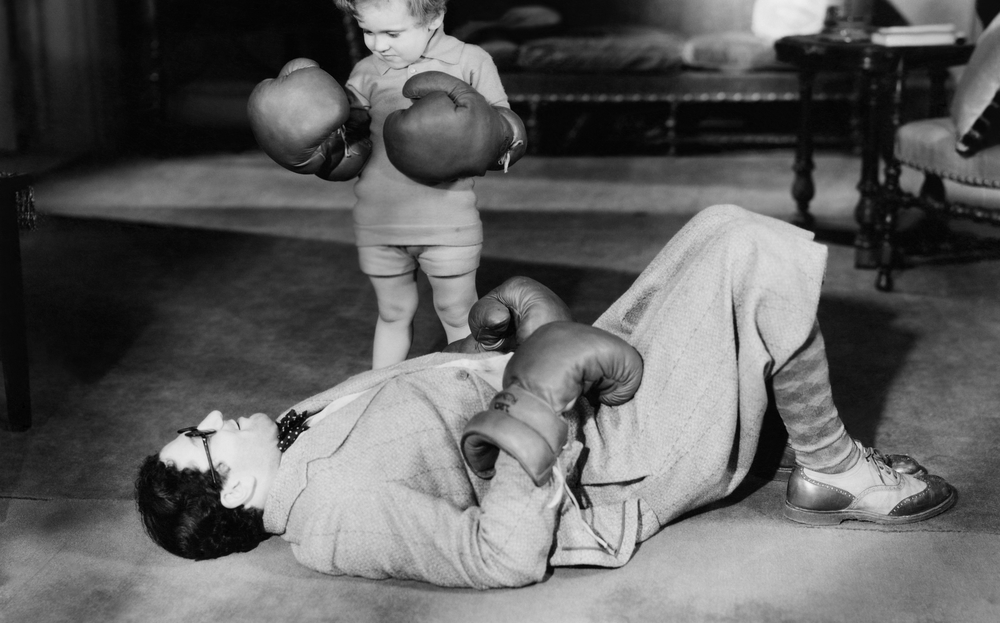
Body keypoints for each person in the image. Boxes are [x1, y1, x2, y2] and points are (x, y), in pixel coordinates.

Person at [135, 205, 956, 589]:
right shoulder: (333, 516)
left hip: (567, 387)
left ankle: (793, 432)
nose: (210, 417)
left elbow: (424, 405)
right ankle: (833, 467)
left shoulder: (290, 429)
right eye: (199, 438)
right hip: (612, 459)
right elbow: (501, 558)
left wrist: (481, 344)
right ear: (236, 490)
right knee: (743, 249)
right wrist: (535, 403)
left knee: (717, 226)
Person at [326, 0, 523, 368]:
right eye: (367, 31)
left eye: (392, 32)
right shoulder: (366, 71)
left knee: (457, 312)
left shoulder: (471, 62)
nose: (378, 45)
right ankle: (377, 394)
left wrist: (502, 141)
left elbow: (505, 126)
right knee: (392, 313)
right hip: (379, 221)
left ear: (434, 16)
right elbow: (348, 138)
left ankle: (470, 391)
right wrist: (320, 142)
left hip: (447, 220)